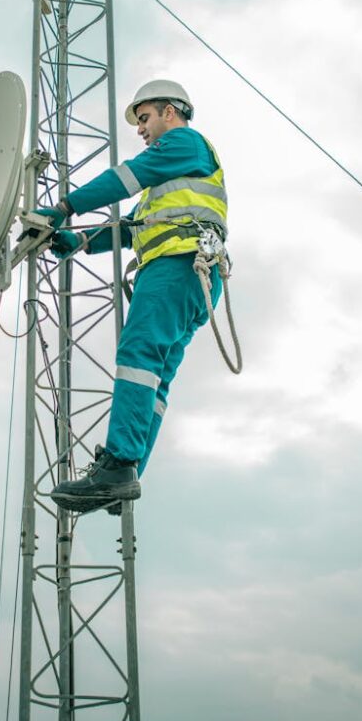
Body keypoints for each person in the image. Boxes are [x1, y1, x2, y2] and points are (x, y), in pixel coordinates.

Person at [35, 79, 228, 513]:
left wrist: (64, 207)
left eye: (145, 118)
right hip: (195, 275)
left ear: (171, 111)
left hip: (177, 267)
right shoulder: (173, 179)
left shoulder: (184, 143)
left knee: (138, 353)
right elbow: (128, 229)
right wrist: (80, 241)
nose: (141, 129)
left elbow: (124, 178)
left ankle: (119, 466)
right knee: (155, 377)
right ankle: (128, 476)